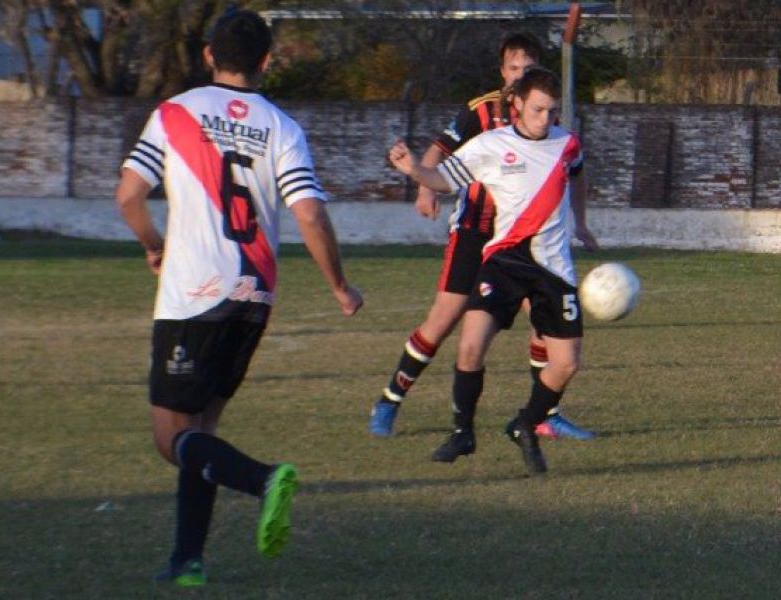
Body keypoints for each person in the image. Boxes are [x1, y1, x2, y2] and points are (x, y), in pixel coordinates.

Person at [115, 9, 363, 587]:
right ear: (267, 61)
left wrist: (154, 246)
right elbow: (310, 213)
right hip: (255, 294)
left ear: (208, 55)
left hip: (192, 294)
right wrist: (339, 286)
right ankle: (188, 562)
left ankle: (262, 479)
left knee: (171, 438)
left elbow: (129, 195)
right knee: (201, 430)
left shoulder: (175, 113)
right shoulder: (282, 127)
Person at [369, 33, 597, 441]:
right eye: (513, 68)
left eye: (528, 70)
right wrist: (423, 185)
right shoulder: (481, 112)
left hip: (524, 243)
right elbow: (440, 150)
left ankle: (544, 414)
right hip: (476, 231)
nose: (519, 75)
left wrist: (579, 222)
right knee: (443, 321)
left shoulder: (547, 119)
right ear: (502, 71)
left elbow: (572, 170)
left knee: (544, 326)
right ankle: (390, 399)